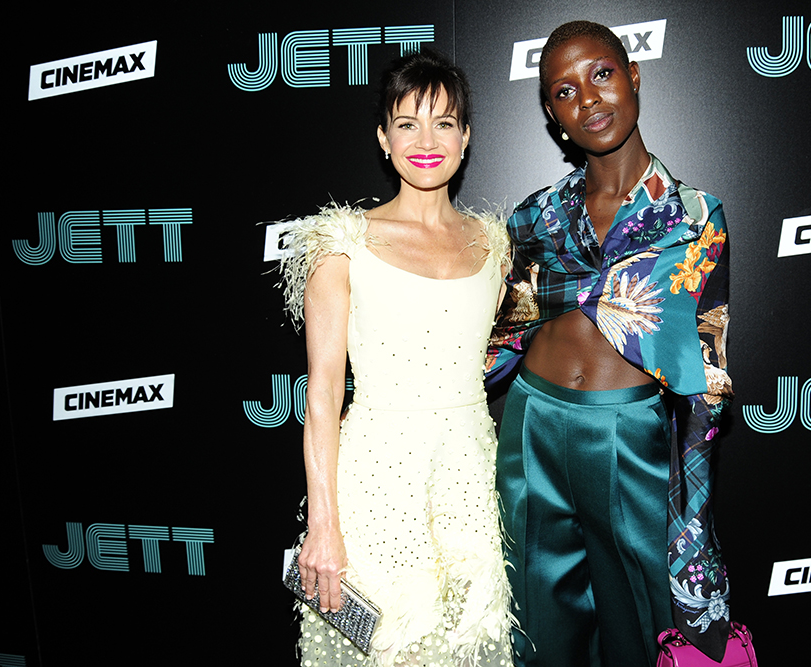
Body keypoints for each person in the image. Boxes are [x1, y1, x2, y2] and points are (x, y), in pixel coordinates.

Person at [487, 21, 733, 667]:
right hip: (532, 429)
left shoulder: (695, 215)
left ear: (634, 76)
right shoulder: (535, 215)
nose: (589, 99)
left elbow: (706, 372)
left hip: (629, 439)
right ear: (552, 114)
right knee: (539, 624)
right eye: (565, 90)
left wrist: (692, 517)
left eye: (602, 74)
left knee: (642, 625)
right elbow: (504, 334)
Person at [280, 50, 514, 667]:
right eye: (408, 123)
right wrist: (323, 527)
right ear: (384, 138)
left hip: (468, 483)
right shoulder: (342, 245)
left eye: (444, 122)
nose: (427, 140)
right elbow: (323, 399)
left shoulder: (494, 247)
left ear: (465, 137)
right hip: (375, 486)